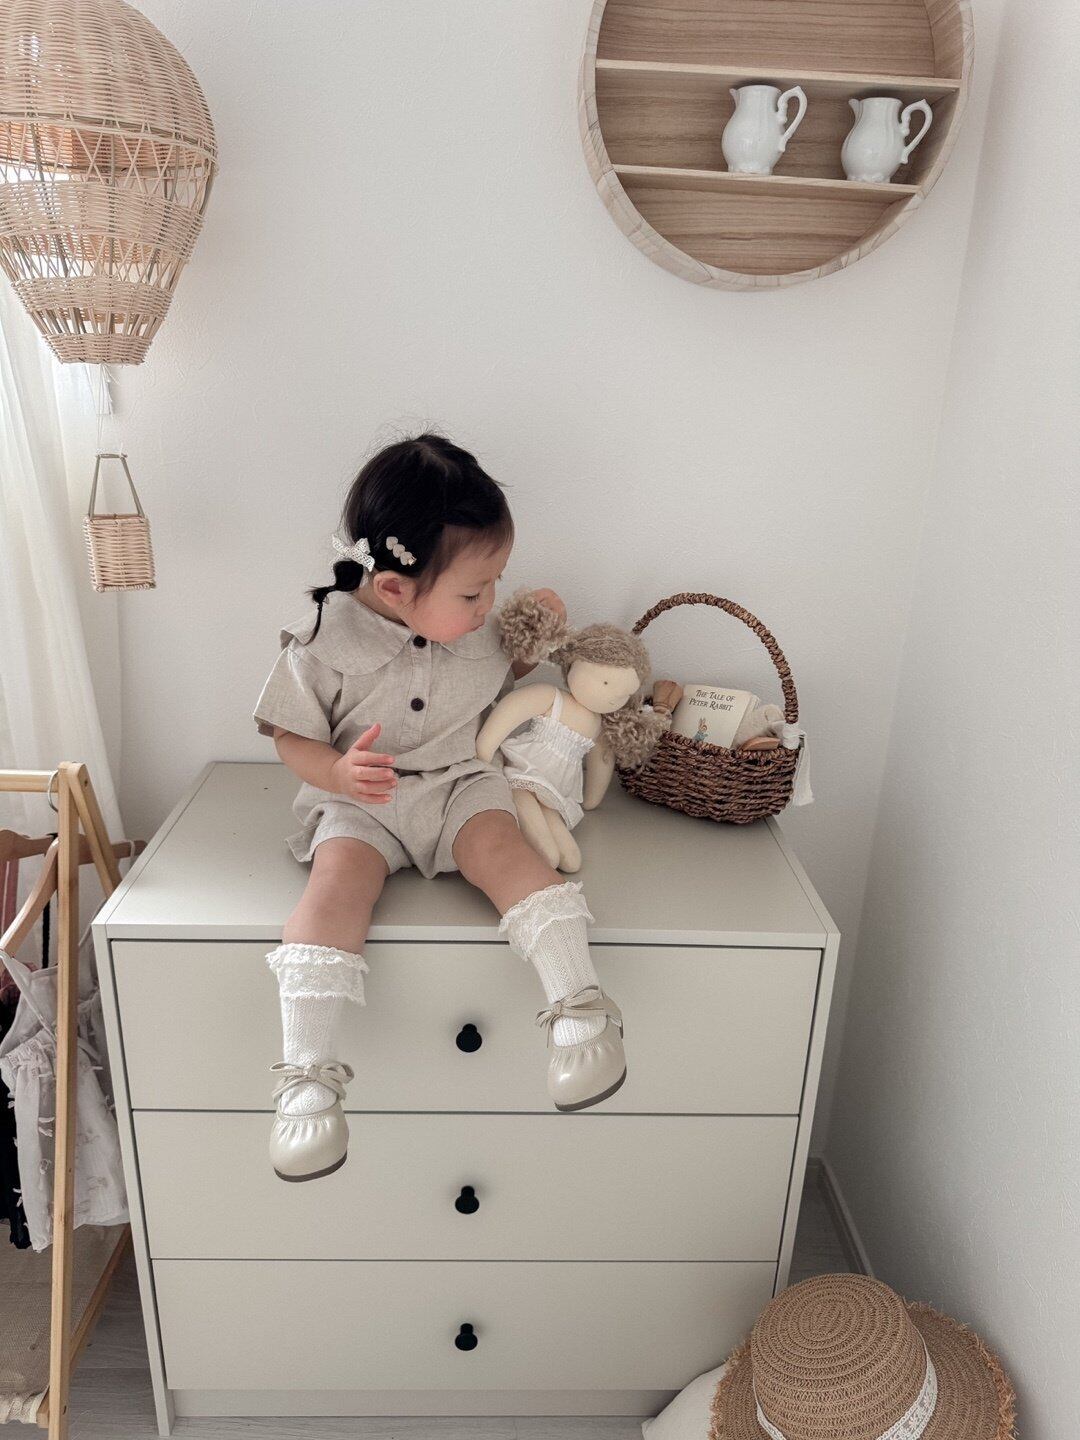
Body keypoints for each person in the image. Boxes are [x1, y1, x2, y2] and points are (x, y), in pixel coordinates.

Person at [252, 432, 626, 1183]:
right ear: (395, 588)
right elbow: (290, 735)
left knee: (507, 853)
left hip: (460, 783)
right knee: (334, 891)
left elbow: (498, 665)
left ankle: (580, 1007)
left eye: (495, 585)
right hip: (365, 801)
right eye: (474, 593)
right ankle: (307, 1077)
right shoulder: (321, 641)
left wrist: (533, 634)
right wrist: (336, 771)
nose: (488, 605)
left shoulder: (473, 625)